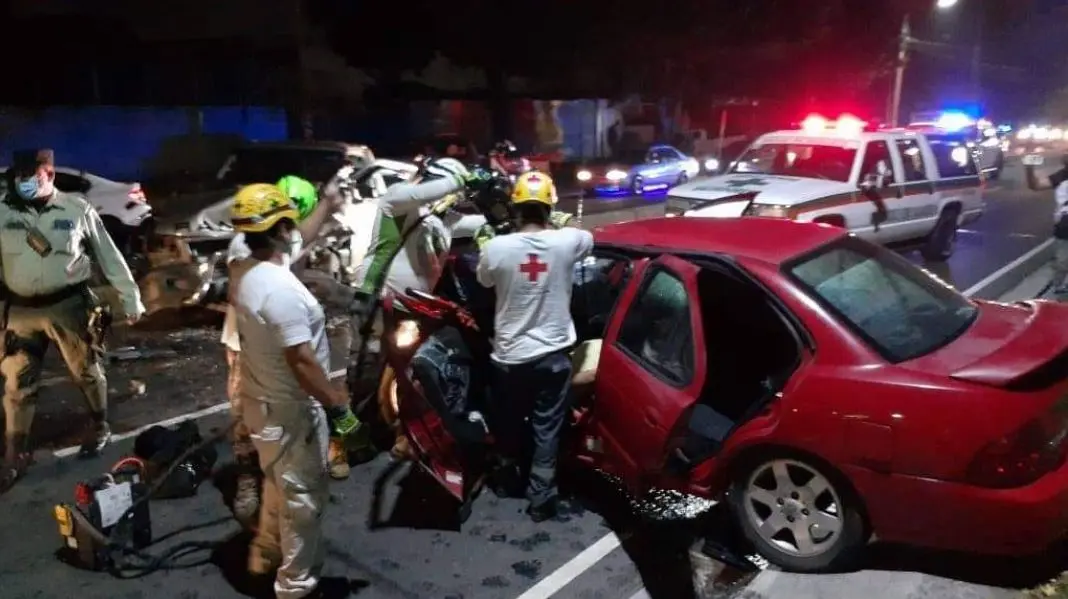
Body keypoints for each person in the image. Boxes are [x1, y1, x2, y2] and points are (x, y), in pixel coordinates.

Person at [229, 183, 360, 599]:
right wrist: (339, 409)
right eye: (290, 224)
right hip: (290, 412)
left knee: (279, 486)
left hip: (263, 405)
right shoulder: (281, 290)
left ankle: (265, 556)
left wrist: (328, 202)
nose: (295, 232)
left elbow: (302, 237)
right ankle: (296, 587)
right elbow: (302, 361)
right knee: (304, 502)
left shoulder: (246, 270)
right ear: (281, 229)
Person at [0, 148, 145, 493]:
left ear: (49, 174)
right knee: (17, 383)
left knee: (86, 370)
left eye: (30, 177)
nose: (23, 183)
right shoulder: (4, 210)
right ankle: (14, 453)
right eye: (18, 177)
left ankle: (99, 424)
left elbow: (108, 255)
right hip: (20, 312)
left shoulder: (77, 209)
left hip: (69, 306)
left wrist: (130, 298)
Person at [353, 157, 490, 460]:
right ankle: (352, 441)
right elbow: (421, 193)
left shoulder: (442, 221)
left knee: (415, 370)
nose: (453, 198)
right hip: (378, 301)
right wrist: (461, 180)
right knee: (366, 374)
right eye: (450, 190)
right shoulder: (398, 200)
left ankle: (405, 435)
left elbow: (484, 223)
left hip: (417, 307)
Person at [476, 171, 593, 522]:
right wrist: (562, 220)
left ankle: (505, 478)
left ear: (514, 208)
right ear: (549, 208)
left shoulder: (495, 248)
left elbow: (484, 280)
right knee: (547, 426)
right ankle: (541, 497)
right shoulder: (567, 242)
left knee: (508, 420)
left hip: (510, 357)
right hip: (552, 357)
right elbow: (587, 236)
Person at [1025, 152, 1068, 295]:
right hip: (1065, 224)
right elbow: (1035, 185)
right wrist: (1029, 168)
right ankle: (1059, 285)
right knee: (1063, 260)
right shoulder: (1060, 176)